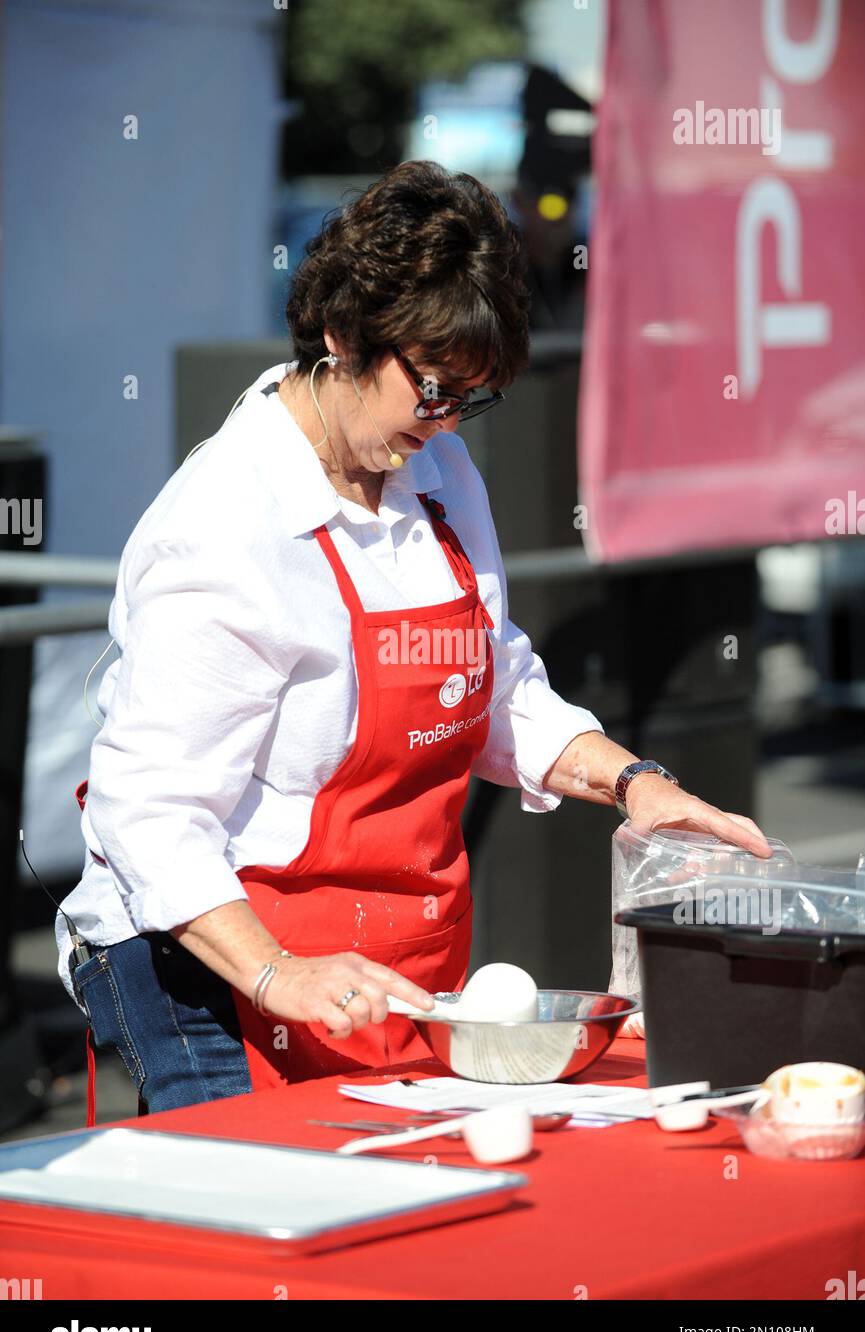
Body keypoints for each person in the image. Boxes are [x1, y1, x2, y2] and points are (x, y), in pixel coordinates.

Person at [55, 160, 772, 1115]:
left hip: (392, 948)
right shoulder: (225, 527)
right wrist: (277, 975)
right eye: (430, 388)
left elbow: (496, 686)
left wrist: (639, 786)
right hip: (210, 957)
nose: (440, 424)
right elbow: (146, 813)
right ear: (342, 335)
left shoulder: (438, 473)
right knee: (255, 1218)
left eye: (466, 399)